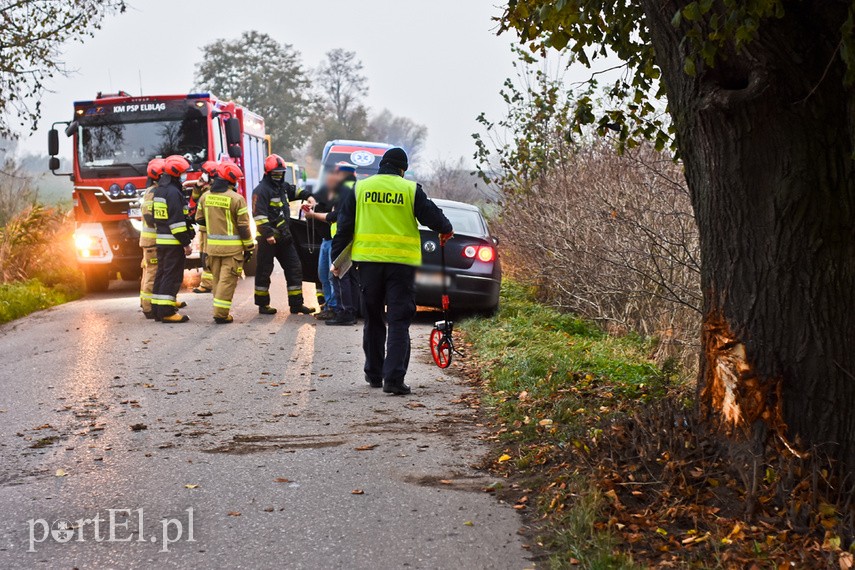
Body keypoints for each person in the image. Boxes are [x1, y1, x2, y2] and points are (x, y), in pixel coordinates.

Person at [331, 148, 453, 395]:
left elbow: (344, 226)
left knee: (374, 318)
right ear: (402, 169)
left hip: (367, 264)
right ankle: (394, 380)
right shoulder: (409, 190)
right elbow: (434, 218)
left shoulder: (361, 188)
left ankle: (374, 374)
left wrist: (336, 259)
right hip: (401, 266)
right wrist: (446, 228)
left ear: (381, 166)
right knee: (399, 320)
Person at [252, 154, 315, 315]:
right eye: (276, 173)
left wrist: (309, 197)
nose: (278, 176)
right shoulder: (261, 190)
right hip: (269, 239)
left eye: (281, 173)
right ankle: (263, 305)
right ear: (268, 173)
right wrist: (267, 234)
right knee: (264, 271)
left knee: (295, 268)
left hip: (285, 238)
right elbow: (258, 215)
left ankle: (296, 305)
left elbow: (297, 191)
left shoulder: (283, 187)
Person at [195, 162, 254, 323]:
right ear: (231, 180)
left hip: (212, 248)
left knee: (217, 280)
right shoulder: (236, 199)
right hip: (232, 251)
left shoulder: (205, 196)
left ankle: (219, 310)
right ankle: (221, 314)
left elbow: (199, 219)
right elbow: (243, 227)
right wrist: (249, 247)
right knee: (227, 282)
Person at [303, 162, 353, 320]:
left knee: (334, 276)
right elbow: (321, 205)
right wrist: (311, 206)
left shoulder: (347, 192)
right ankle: (330, 305)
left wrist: (313, 215)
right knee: (323, 274)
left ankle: (337, 308)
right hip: (327, 240)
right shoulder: (331, 192)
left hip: (337, 240)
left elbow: (334, 216)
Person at [149, 155, 195, 323]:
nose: (186, 176)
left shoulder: (160, 190)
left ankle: (157, 309)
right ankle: (167, 312)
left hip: (162, 240)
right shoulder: (174, 192)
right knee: (172, 276)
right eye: (184, 173)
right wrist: (186, 243)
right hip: (173, 241)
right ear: (176, 173)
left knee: (162, 274)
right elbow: (176, 222)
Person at [139, 158, 165, 319]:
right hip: (152, 242)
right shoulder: (153, 192)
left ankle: (146, 303)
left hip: (149, 241)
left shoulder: (150, 191)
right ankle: (148, 307)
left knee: (149, 271)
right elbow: (150, 217)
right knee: (152, 273)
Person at [191, 161, 218, 294]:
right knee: (204, 256)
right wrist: (197, 186)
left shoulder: (213, 191)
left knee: (207, 257)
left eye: (205, 173)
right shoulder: (205, 188)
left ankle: (207, 284)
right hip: (203, 229)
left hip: (209, 229)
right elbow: (195, 199)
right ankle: (207, 283)